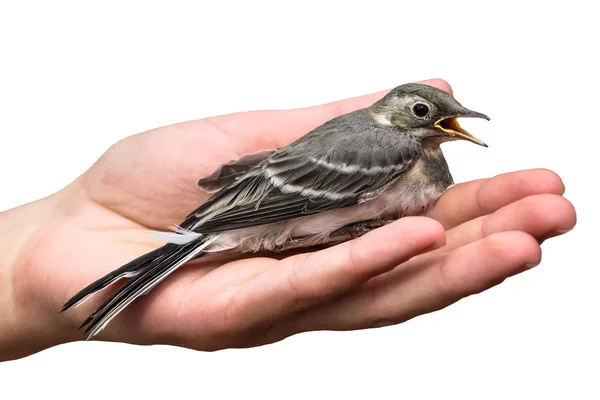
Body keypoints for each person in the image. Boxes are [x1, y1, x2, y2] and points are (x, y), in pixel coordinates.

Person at [0, 79, 576, 362]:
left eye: (442, 118)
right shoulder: (388, 150)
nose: (437, 123)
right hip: (247, 216)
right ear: (396, 112)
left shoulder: (414, 153)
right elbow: (290, 199)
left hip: (244, 212)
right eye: (425, 113)